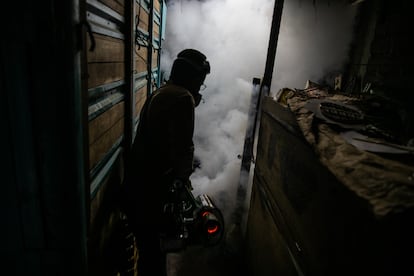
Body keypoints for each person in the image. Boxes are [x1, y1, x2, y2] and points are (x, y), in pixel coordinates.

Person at [121, 48, 211, 276]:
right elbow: (183, 150)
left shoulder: (162, 92)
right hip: (147, 196)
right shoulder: (183, 98)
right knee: (153, 260)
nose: (200, 86)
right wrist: (184, 180)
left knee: (149, 255)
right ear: (193, 77)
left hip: (136, 189)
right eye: (200, 81)